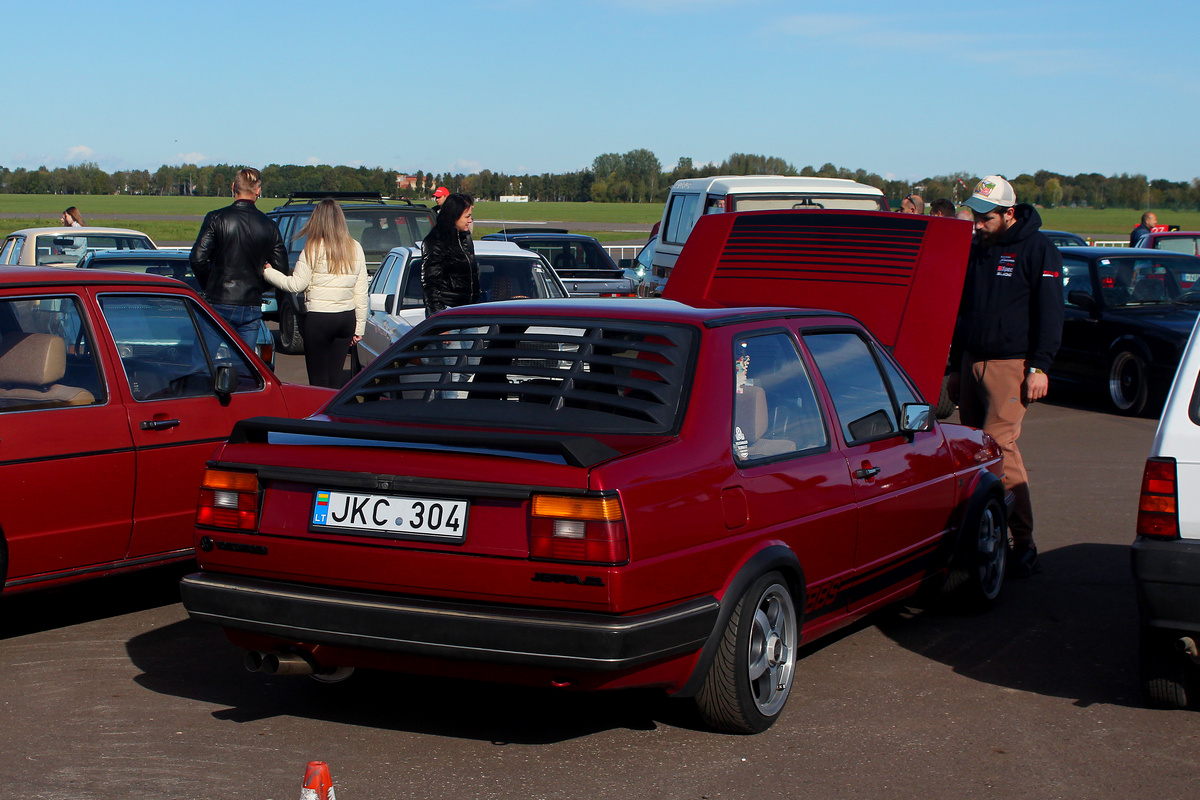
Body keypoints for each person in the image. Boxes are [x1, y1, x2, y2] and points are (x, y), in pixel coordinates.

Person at [948, 175, 1063, 579]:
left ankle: (1023, 541)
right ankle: (981, 533)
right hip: (971, 361)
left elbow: (1051, 313)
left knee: (1000, 447)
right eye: (975, 215)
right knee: (973, 452)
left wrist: (1040, 367)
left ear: (1008, 213)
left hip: (1011, 366)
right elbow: (963, 310)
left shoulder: (1038, 249)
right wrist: (954, 367)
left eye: (985, 217)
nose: (977, 224)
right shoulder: (977, 249)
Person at [262, 198, 367, 388]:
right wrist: (359, 327)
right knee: (335, 380)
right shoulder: (355, 247)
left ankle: (319, 415)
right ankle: (334, 416)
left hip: (319, 318)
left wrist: (268, 272)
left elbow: (296, 285)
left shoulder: (312, 248)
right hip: (346, 318)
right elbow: (360, 291)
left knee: (318, 380)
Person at [190, 167, 287, 350]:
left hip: (219, 300)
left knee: (202, 362)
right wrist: (258, 285)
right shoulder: (269, 225)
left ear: (233, 187)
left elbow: (197, 259)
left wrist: (211, 284)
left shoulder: (216, 218)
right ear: (258, 191)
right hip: (251, 303)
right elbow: (280, 268)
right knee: (246, 365)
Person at [421, 193, 478, 315]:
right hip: (448, 311)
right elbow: (431, 283)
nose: (470, 220)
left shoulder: (465, 238)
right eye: (467, 216)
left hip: (470, 311)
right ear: (455, 216)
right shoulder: (435, 241)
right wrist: (438, 317)